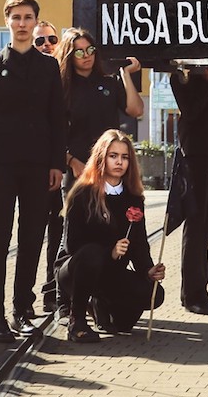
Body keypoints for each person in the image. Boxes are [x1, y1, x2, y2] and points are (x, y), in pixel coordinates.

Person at [0, 0, 66, 343]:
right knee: (0, 238)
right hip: (0, 164)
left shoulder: (48, 66)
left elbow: (57, 119)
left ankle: (23, 310)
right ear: (7, 21)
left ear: (35, 22)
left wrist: (57, 163)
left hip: (38, 165)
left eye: (28, 18)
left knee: (31, 238)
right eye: (17, 18)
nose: (22, 24)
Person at [49, 27, 142, 314]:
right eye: (79, 51)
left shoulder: (107, 82)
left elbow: (135, 109)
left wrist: (126, 74)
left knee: (106, 230)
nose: (86, 56)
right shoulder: (62, 86)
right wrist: (71, 161)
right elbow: (53, 130)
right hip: (77, 173)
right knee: (71, 236)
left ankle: (97, 297)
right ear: (69, 54)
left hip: (110, 171)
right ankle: (63, 299)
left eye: (90, 50)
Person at [56, 130, 166, 343]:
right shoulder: (82, 193)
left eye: (124, 157)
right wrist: (111, 252)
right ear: (101, 158)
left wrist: (148, 270)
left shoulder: (133, 198)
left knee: (152, 295)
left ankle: (100, 306)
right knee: (93, 253)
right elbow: (72, 245)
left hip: (110, 274)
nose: (119, 162)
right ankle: (76, 319)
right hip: (75, 271)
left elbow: (140, 244)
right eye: (113, 156)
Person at [171, 63, 208, 315]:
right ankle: (191, 294)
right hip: (193, 159)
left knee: (206, 227)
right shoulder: (182, 83)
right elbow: (192, 111)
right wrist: (205, 80)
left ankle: (201, 290)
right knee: (195, 228)